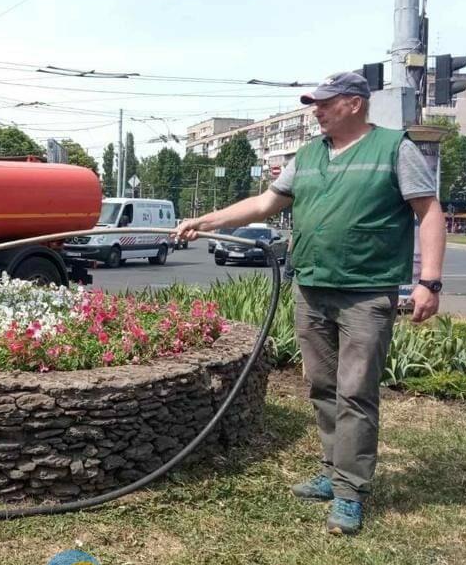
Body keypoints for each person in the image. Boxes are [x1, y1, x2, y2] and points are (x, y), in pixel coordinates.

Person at [176, 71, 446, 535]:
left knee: (356, 392)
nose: (316, 111)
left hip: (366, 291)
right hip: (312, 288)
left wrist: (430, 282)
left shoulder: (394, 149)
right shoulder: (308, 155)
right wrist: (207, 220)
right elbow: (265, 206)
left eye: (325, 103)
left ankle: (350, 491)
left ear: (355, 104)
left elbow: (430, 212)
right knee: (322, 386)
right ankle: (333, 468)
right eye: (314, 104)